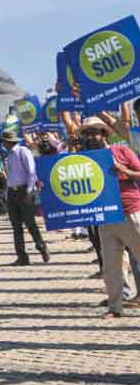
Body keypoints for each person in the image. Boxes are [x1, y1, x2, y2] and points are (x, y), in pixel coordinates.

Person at [78, 117, 140, 319]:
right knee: (111, 266)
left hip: (130, 211)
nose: (90, 137)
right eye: (86, 134)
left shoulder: (122, 151)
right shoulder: (84, 159)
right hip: (105, 217)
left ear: (104, 134)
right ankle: (115, 307)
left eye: (94, 132)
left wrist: (125, 171)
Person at [1, 130, 50, 266]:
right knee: (16, 226)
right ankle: (22, 257)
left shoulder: (23, 151)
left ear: (8, 142)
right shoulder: (9, 156)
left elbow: (31, 172)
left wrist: (29, 191)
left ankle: (41, 246)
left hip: (24, 191)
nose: (3, 144)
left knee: (30, 223)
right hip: (12, 192)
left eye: (4, 142)